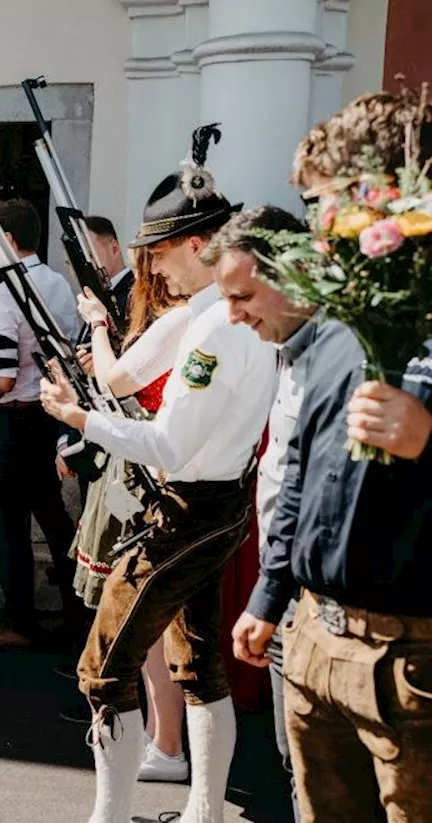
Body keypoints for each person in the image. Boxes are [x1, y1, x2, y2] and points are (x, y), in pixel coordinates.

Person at [39, 126, 277, 823]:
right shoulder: (201, 313)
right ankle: (201, 812)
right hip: (210, 502)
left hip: (193, 507)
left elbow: (166, 443)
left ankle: (108, 818)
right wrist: (97, 327)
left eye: (163, 253)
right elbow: (118, 375)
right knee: (199, 665)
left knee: (102, 666)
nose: (152, 268)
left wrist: (78, 420)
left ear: (201, 247)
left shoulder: (212, 329)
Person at [231, 91, 432, 823]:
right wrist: (271, 595)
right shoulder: (338, 318)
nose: (314, 226)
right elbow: (302, 477)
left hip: (410, 664)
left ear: (386, 189)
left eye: (323, 202)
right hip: (314, 638)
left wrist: (429, 439)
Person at [203, 205, 313, 820]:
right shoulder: (286, 351)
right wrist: (268, 597)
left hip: (328, 604)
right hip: (287, 595)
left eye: (243, 295)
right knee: (294, 765)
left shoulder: (348, 355)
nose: (234, 313)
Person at [65, 244, 191, 783]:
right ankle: (158, 740)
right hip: (143, 466)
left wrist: (97, 328)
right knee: (154, 625)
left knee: (150, 622)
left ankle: (165, 744)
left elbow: (121, 385)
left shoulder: (176, 323)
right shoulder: (178, 321)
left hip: (150, 475)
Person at [0, 198, 81, 651]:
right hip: (49, 417)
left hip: (13, 421)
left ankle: (19, 621)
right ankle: (75, 612)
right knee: (53, 517)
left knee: (8, 523)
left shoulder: (4, 292)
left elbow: (2, 377)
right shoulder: (58, 285)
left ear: (9, 241)